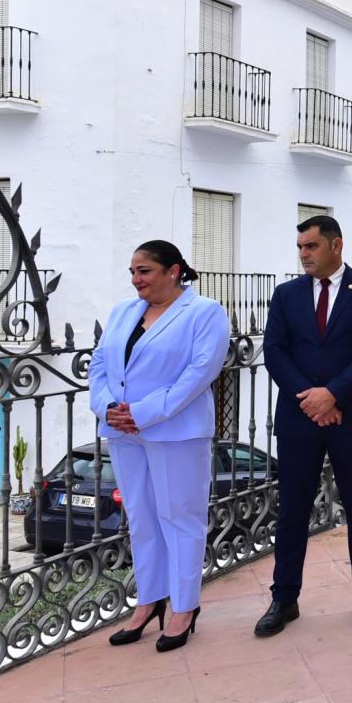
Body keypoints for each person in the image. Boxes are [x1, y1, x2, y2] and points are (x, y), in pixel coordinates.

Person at [255, 215, 352, 636]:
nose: (303, 255)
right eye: (300, 247)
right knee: (293, 509)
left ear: (336, 245)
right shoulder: (286, 295)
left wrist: (333, 394)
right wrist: (313, 400)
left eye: (311, 246)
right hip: (300, 418)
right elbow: (275, 351)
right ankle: (284, 598)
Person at [91, 240, 229, 652]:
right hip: (123, 431)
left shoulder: (204, 313)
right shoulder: (123, 312)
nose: (136, 280)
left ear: (173, 271)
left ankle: (184, 607)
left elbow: (200, 372)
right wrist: (108, 406)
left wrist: (144, 411)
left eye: (145, 271)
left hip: (177, 431)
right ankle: (149, 601)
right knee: (142, 518)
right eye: (132, 272)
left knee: (180, 518)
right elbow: (99, 364)